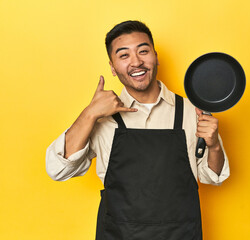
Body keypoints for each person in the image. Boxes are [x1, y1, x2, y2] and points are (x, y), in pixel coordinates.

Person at [46, 20, 230, 240]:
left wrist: (214, 145)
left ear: (156, 56)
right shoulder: (100, 118)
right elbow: (57, 169)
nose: (136, 62)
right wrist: (89, 114)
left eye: (143, 51)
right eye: (124, 55)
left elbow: (213, 177)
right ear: (113, 68)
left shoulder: (192, 112)